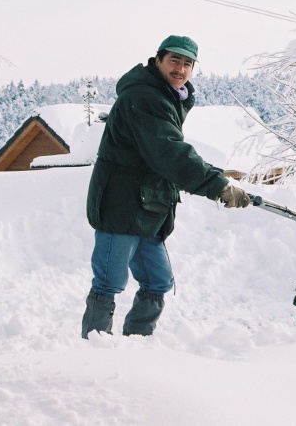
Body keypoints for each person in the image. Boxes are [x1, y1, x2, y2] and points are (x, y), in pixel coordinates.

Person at [82, 35, 251, 338]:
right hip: (120, 204)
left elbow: (168, 152)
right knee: (109, 282)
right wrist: (217, 185)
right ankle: (94, 352)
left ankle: (138, 344)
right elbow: (170, 153)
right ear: (158, 60)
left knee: (158, 281)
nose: (181, 68)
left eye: (188, 63)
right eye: (175, 60)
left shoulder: (166, 97)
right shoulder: (144, 98)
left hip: (149, 206)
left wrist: (216, 179)